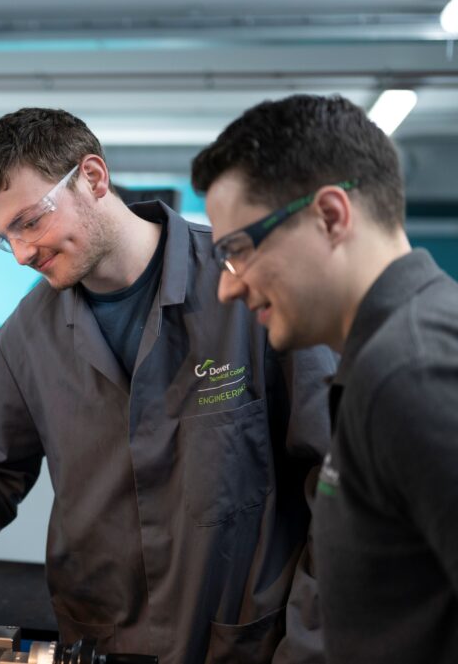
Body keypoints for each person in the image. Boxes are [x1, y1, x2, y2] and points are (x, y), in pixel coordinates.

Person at [0, 107, 337, 663]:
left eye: (30, 221)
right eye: (2, 237)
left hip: (245, 641)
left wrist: (311, 644)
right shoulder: (28, 335)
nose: (21, 254)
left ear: (93, 177)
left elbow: (335, 487)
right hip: (100, 639)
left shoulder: (247, 292)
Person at [192, 93, 458, 664]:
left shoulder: (413, 372)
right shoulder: (385, 357)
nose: (227, 287)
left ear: (331, 216)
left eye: (238, 250)